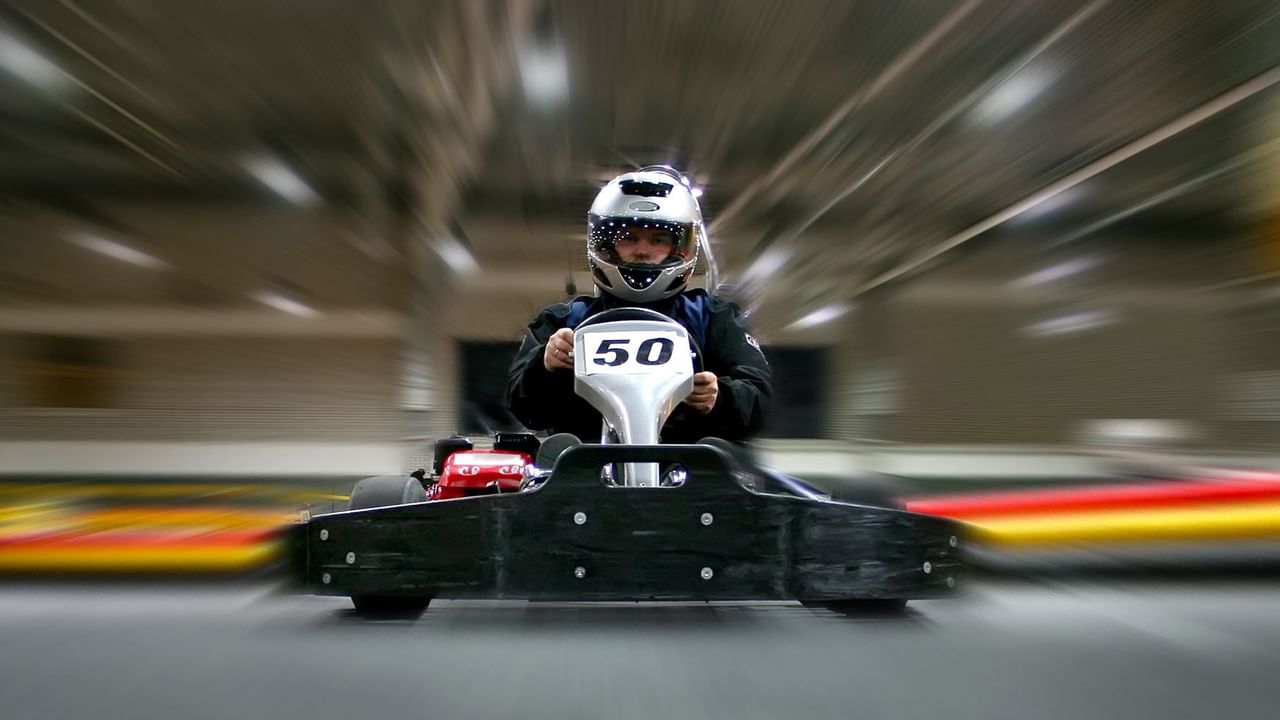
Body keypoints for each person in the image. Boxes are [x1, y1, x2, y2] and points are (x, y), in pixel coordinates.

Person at [506, 165, 772, 444]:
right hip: (584, 471)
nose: (643, 251)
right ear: (607, 244)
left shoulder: (712, 317)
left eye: (658, 240)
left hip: (691, 472)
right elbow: (524, 408)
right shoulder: (563, 322)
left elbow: (759, 400)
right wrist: (545, 366)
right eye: (628, 238)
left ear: (679, 248)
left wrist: (720, 398)